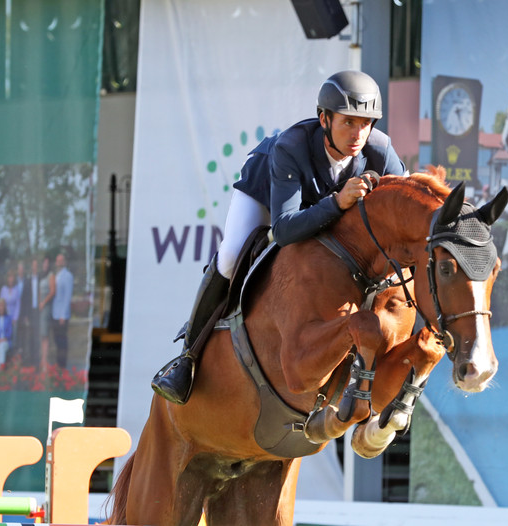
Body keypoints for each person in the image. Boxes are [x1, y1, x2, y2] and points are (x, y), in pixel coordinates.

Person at [152, 70, 408, 404]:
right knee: (230, 256)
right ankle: (187, 358)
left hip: (321, 205)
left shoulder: (380, 150)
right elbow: (285, 229)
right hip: (265, 194)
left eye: (366, 123)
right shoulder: (291, 146)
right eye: (348, 122)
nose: (358, 133)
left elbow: (405, 204)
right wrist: (337, 202)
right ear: (324, 119)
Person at [51, 253, 73, 368]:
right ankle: (59, 364)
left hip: (61, 316)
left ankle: (62, 366)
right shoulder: (57, 275)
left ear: (64, 262)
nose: (59, 263)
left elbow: (67, 297)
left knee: (62, 342)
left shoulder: (67, 276)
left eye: (61, 260)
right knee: (57, 341)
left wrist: (63, 316)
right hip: (55, 314)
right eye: (57, 260)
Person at [38, 256, 56, 367]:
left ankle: (45, 358)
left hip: (46, 307)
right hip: (40, 308)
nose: (45, 265)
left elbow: (52, 291)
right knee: (41, 333)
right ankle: (42, 357)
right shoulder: (42, 276)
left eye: (47, 263)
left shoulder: (51, 275)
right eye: (43, 263)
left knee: (45, 334)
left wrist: (44, 302)